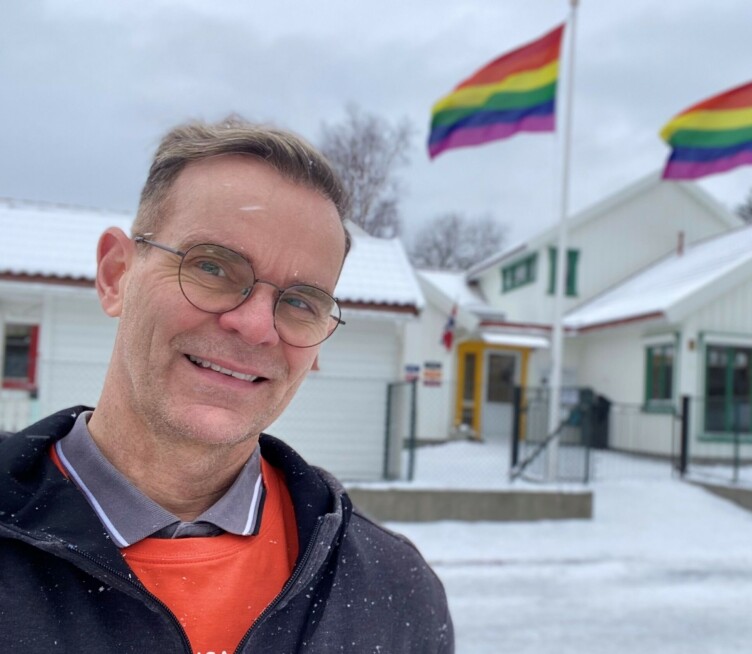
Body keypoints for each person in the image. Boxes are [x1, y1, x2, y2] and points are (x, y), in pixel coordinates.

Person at [0, 118, 454, 653]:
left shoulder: (394, 591)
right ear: (116, 274)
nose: (256, 326)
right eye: (212, 267)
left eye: (302, 302)